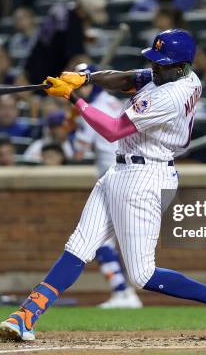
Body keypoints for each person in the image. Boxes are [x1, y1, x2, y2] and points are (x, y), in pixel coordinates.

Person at [0, 29, 206, 343]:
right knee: (79, 246)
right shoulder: (175, 76)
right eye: (155, 61)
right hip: (120, 171)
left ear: (182, 65)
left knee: (142, 274)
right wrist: (85, 78)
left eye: (163, 64)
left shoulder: (170, 95)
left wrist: (73, 98)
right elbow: (129, 78)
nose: (156, 68)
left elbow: (114, 130)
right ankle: (26, 315)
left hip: (146, 178)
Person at [70, 62, 142, 309]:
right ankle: (123, 291)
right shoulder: (111, 101)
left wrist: (74, 120)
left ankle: (123, 292)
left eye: (82, 81)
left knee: (99, 240)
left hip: (116, 177)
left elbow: (77, 152)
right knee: (107, 240)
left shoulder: (92, 107)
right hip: (127, 174)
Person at [23, 0, 108, 86]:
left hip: (42, 68)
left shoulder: (68, 15)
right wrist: (98, 76)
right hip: (43, 74)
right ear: (84, 10)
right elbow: (78, 57)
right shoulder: (73, 22)